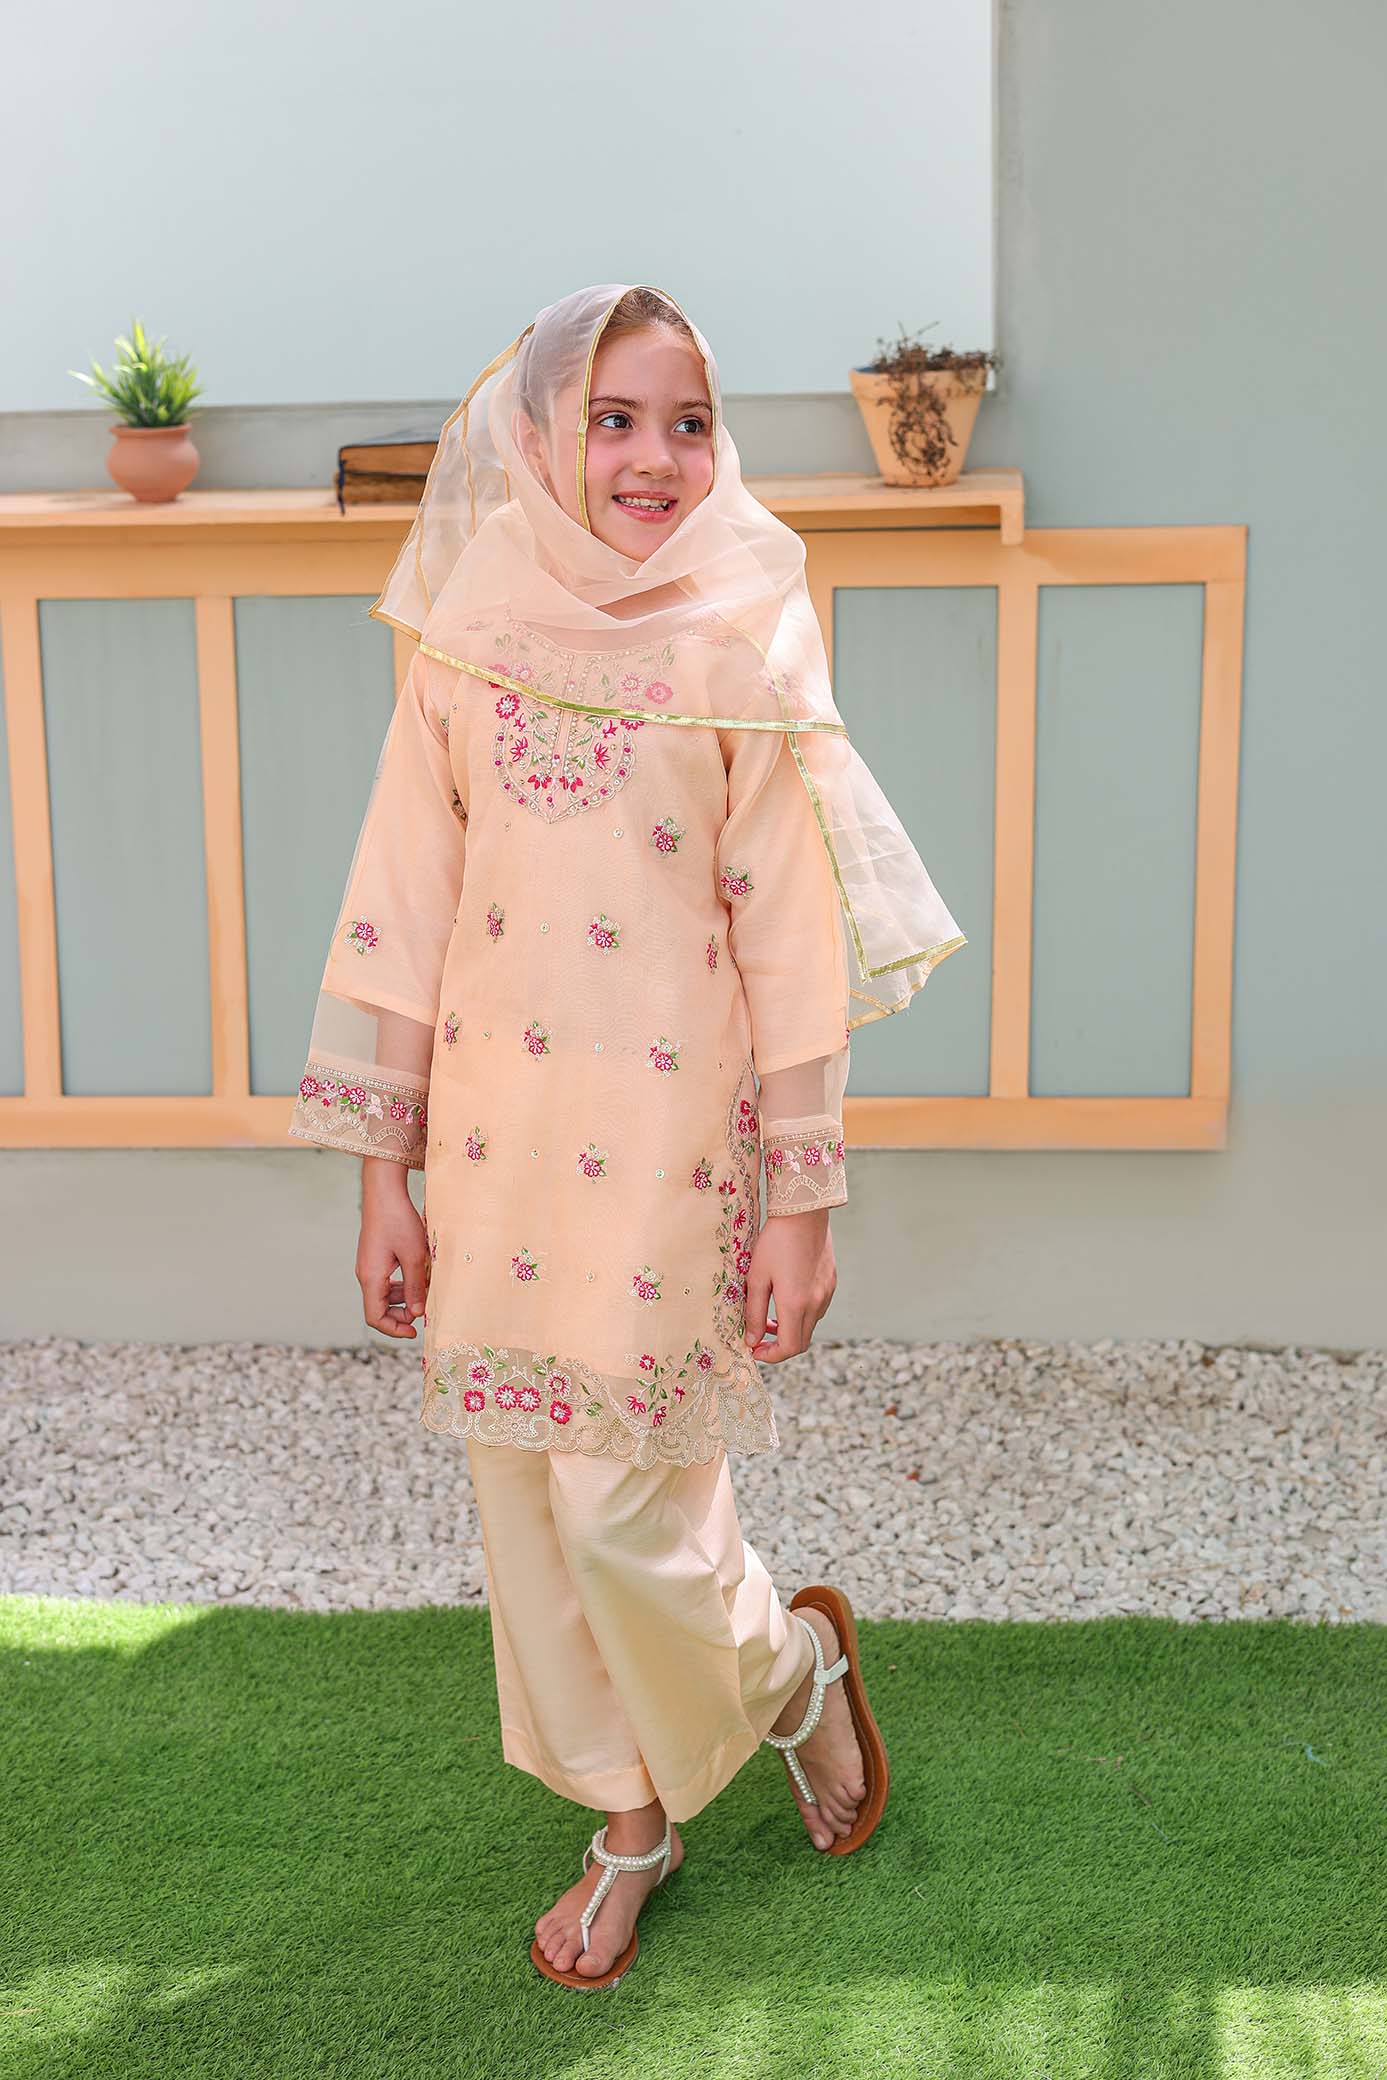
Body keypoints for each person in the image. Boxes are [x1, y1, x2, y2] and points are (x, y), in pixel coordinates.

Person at [288, 284, 966, 1990]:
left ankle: (795, 1678)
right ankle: (631, 1823)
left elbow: (794, 936)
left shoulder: (741, 635)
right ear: (534, 438)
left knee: (627, 1513)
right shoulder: (464, 634)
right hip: (502, 1156)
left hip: (675, 1148)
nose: (656, 458)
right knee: (528, 1506)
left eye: (686, 421)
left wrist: (802, 1198)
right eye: (614, 418)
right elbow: (399, 913)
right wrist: (389, 1174)